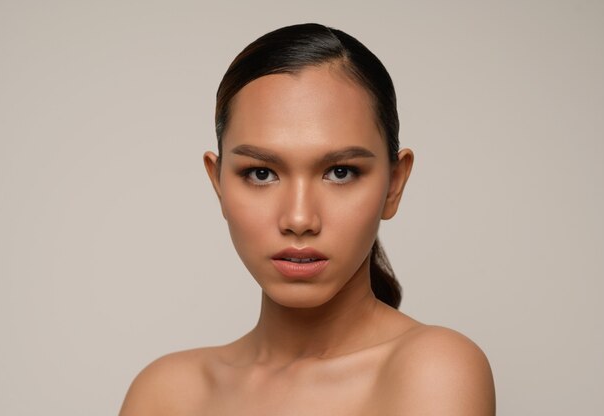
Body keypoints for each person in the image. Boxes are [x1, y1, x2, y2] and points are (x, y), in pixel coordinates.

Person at [119, 23, 495, 415]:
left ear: (393, 184)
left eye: (341, 172)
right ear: (218, 184)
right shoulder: (166, 392)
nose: (299, 218)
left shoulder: (434, 369)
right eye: (261, 173)